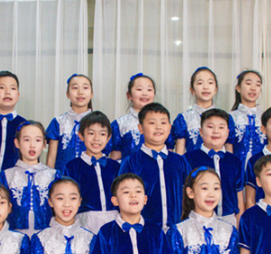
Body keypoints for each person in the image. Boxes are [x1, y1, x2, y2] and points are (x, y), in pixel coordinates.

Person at [118, 103, 187, 233]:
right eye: (152, 123)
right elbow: (122, 197)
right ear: (140, 128)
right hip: (143, 231)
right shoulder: (131, 162)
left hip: (176, 231)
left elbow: (188, 193)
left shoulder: (180, 161)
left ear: (169, 127)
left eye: (163, 123)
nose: (158, 127)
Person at [184, 108, 245, 225]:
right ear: (201, 131)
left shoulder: (235, 161)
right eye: (210, 127)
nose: (216, 131)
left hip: (228, 219)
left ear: (228, 132)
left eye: (221, 127)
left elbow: (239, 195)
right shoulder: (188, 159)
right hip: (197, 219)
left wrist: (239, 223)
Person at [62, 111, 120, 234]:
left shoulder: (116, 166)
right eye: (91, 133)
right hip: (84, 221)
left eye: (102, 134)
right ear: (81, 135)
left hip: (114, 219)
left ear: (109, 137)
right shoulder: (72, 167)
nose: (96, 138)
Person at [1, 121, 55, 237]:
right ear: (17, 143)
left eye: (37, 140)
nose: (32, 145)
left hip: (46, 235)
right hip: (14, 235)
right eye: (26, 140)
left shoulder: (53, 175)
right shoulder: (7, 175)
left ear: (44, 144)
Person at [45, 73, 94, 176]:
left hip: (90, 176)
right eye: (75, 88)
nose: (80, 92)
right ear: (67, 94)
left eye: (85, 88)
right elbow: (51, 158)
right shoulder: (58, 122)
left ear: (91, 94)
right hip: (63, 178)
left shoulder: (98, 123)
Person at [172, 66, 220, 154]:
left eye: (210, 83)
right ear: (192, 90)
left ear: (215, 89)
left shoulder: (224, 118)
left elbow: (229, 155)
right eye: (200, 83)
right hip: (191, 163)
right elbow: (180, 154)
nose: (205, 87)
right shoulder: (184, 118)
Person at [109, 73, 157, 160]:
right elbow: (115, 157)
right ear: (129, 95)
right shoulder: (120, 124)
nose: (145, 93)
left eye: (149, 90)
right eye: (139, 89)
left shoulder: (162, 123)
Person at [228, 69, 267, 169]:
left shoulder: (266, 117)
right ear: (238, 88)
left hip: (262, 170)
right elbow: (228, 146)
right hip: (237, 169)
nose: (253, 88)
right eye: (248, 83)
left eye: (258, 85)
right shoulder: (230, 117)